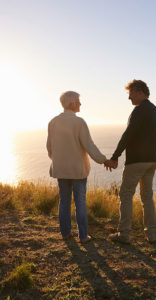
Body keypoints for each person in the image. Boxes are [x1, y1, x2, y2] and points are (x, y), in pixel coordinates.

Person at [105, 79, 156, 244]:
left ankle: (124, 234)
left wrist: (115, 157)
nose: (129, 97)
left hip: (136, 161)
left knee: (126, 195)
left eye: (130, 93)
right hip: (152, 161)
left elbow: (128, 134)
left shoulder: (139, 110)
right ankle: (151, 235)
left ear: (139, 91)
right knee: (147, 197)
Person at [47, 91, 107, 243]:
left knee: (64, 201)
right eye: (78, 101)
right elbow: (89, 146)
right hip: (78, 170)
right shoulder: (79, 122)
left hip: (61, 169)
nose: (80, 104)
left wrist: (59, 160)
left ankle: (65, 234)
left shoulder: (53, 122)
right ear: (72, 103)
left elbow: (49, 148)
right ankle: (83, 236)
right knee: (80, 201)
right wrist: (104, 160)